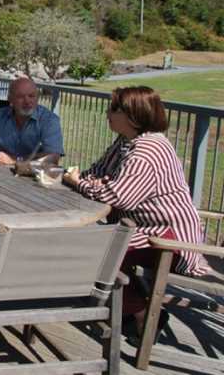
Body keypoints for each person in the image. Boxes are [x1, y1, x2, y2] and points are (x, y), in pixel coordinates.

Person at [62, 86, 207, 337]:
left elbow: (120, 197)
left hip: (168, 238)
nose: (107, 113)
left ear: (132, 115)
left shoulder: (147, 151)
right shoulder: (126, 142)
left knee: (96, 252)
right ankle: (130, 307)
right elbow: (96, 173)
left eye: (113, 109)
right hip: (142, 229)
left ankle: (141, 314)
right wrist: (87, 181)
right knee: (92, 247)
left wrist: (78, 183)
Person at [0, 77, 63, 165]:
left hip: (32, 177)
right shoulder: (0, 115)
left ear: (37, 98)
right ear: (10, 99)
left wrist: (14, 160)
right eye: (21, 97)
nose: (27, 101)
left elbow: (52, 157)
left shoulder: (49, 120)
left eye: (31, 96)